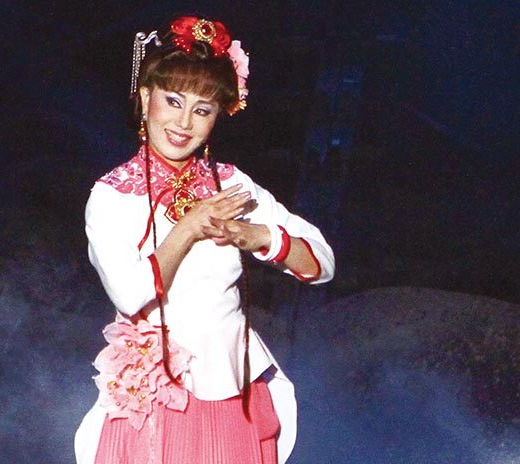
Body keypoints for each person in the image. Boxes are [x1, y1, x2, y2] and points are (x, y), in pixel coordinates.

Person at [75, 15, 334, 464]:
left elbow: (321, 265)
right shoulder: (113, 195)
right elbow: (130, 294)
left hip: (231, 389)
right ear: (146, 98)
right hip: (158, 397)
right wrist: (189, 227)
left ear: (216, 117)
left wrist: (255, 235)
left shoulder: (231, 185)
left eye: (202, 109)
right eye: (173, 101)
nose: (184, 122)